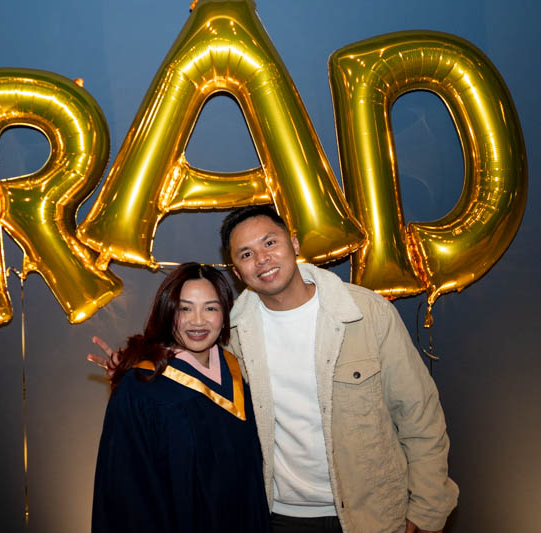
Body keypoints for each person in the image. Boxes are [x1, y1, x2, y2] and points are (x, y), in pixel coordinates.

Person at [90, 205, 458, 533]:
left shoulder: (365, 313)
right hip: (277, 516)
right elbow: (185, 353)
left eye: (270, 243)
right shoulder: (235, 332)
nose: (262, 259)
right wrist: (134, 371)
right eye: (246, 253)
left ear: (294, 244)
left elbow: (419, 416)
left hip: (371, 514)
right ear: (237, 269)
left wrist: (426, 512)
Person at [91, 263, 270, 533]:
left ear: (224, 314)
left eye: (211, 308)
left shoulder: (238, 372)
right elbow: (126, 495)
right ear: (167, 312)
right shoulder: (141, 389)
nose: (198, 321)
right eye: (184, 308)